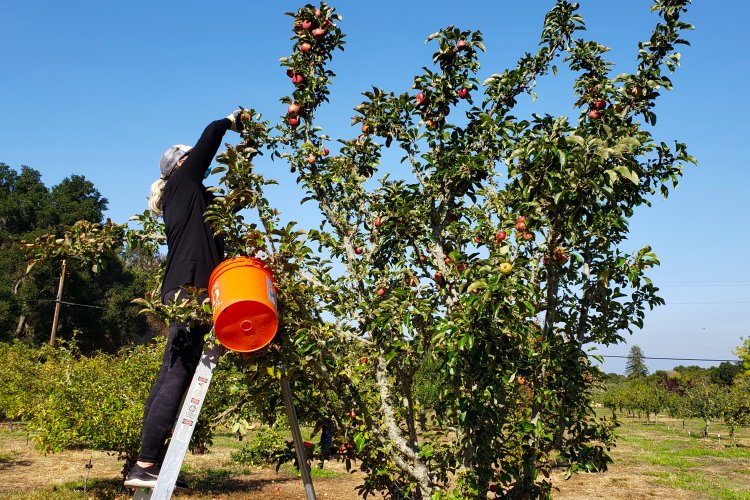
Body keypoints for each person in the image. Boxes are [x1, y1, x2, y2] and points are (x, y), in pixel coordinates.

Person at [124, 110, 243, 489]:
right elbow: (210, 135)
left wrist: (248, 159)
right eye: (189, 157)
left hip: (183, 286)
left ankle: (145, 460)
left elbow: (225, 210)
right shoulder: (184, 181)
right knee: (177, 373)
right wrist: (231, 120)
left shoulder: (190, 196)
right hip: (190, 289)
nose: (196, 160)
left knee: (170, 372)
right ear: (180, 164)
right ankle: (144, 464)